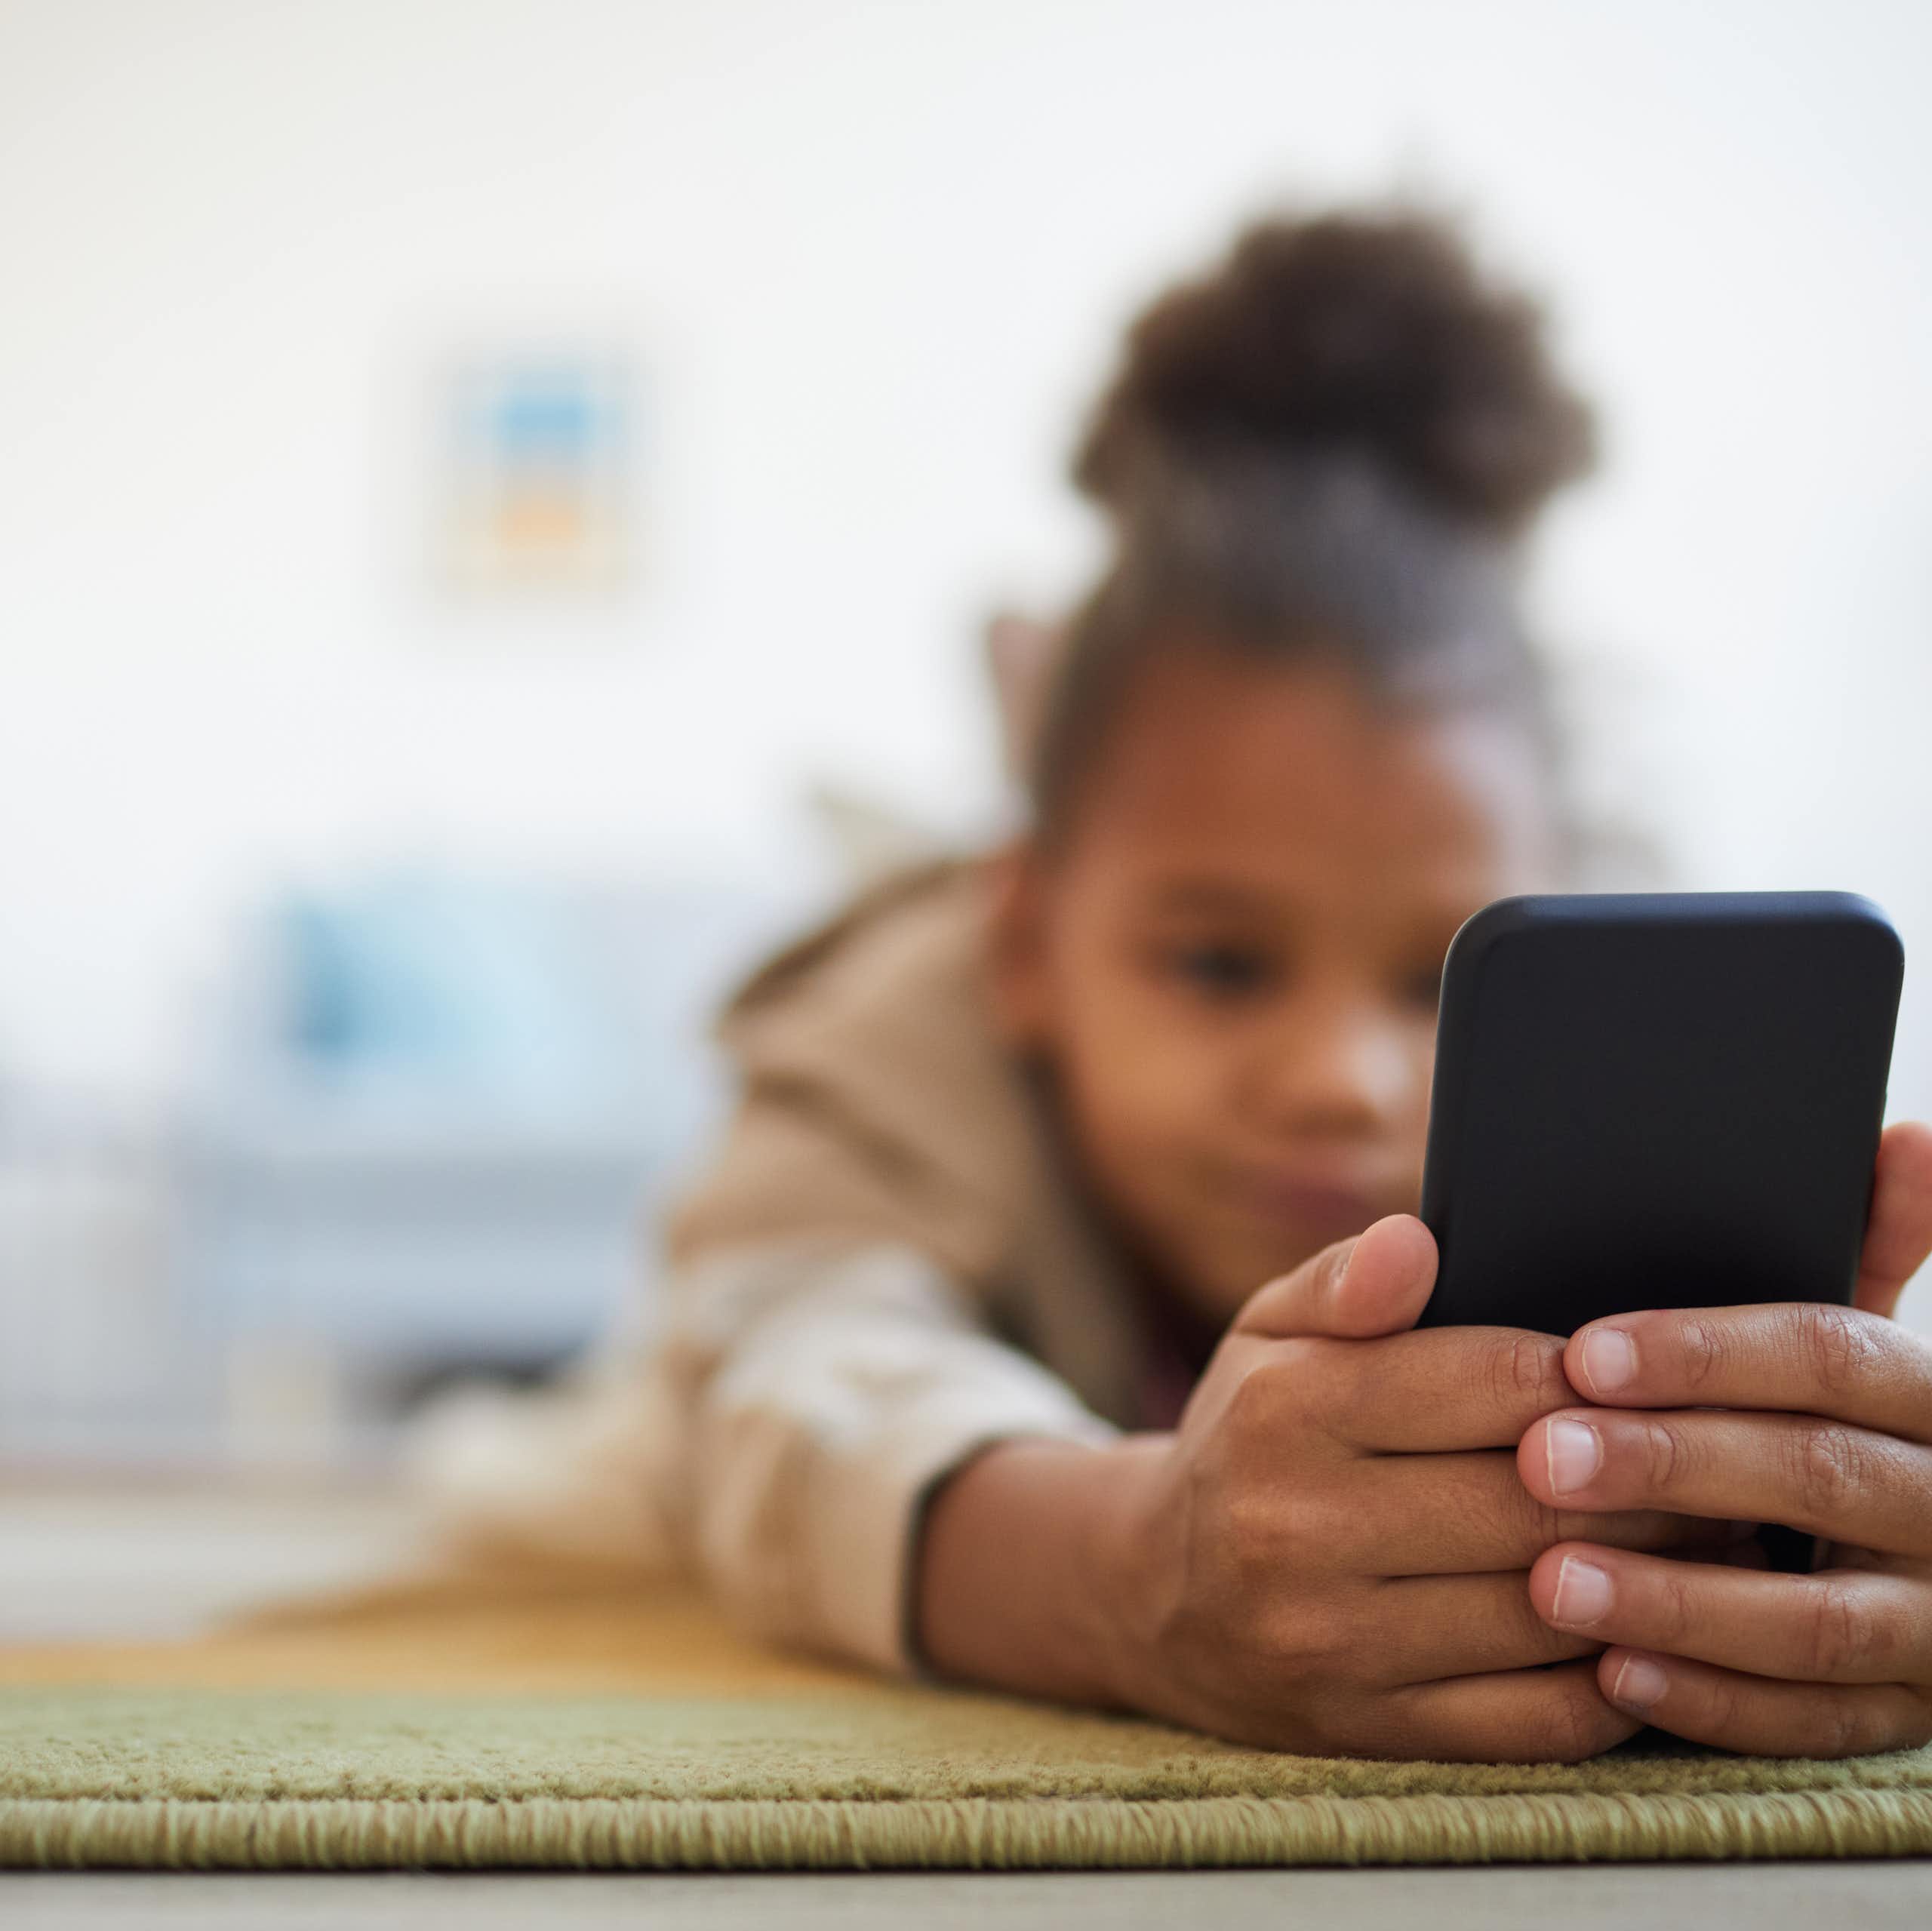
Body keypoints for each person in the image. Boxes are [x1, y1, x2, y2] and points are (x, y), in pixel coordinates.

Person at [441, 208, 1932, 1762]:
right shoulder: (896, 1032)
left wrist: (1811, 1509)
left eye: (1444, 976)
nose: (1335, 1076)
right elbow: (788, 1396)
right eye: (1219, 961)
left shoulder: (1624, 1071)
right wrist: (1129, 1560)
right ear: (1023, 943)